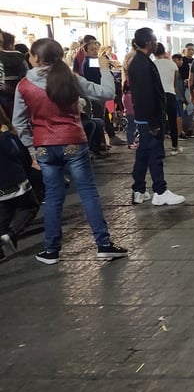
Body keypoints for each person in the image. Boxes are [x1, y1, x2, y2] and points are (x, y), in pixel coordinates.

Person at [12, 38, 127, 264]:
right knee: (88, 192)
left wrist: (32, 151)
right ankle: (103, 244)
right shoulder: (70, 79)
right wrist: (105, 70)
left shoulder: (24, 85)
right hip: (74, 142)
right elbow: (105, 93)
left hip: (44, 147)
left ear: (35, 58)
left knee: (54, 197)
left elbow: (19, 122)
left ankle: (51, 250)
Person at [128, 28, 185, 206]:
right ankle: (160, 191)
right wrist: (154, 122)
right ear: (147, 42)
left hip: (144, 117)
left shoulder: (140, 61)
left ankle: (139, 189)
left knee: (143, 154)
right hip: (149, 118)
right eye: (153, 40)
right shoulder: (142, 64)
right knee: (155, 154)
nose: (156, 43)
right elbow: (146, 95)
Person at [0, 105, 39, 262]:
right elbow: (16, 153)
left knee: (5, 213)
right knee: (30, 206)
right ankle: (11, 234)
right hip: (14, 179)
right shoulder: (5, 136)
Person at [153, 43, 182, 156]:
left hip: (157, 96)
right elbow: (175, 83)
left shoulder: (153, 64)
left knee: (159, 122)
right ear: (164, 51)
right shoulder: (172, 65)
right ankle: (175, 147)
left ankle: (159, 149)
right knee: (172, 121)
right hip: (170, 94)